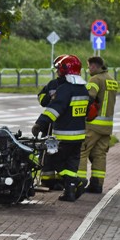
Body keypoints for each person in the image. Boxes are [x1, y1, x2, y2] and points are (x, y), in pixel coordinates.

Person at [32, 55, 90, 202]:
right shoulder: (83, 89)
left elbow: (55, 109)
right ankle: (69, 193)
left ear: (66, 70)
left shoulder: (65, 89)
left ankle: (77, 182)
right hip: (79, 136)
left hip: (64, 136)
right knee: (71, 164)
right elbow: (88, 111)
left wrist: (40, 124)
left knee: (54, 161)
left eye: (59, 69)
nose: (57, 71)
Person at [78, 56, 118, 194]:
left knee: (82, 151)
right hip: (107, 126)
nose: (88, 69)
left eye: (89, 67)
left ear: (94, 66)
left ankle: (79, 183)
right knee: (100, 154)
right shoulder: (112, 80)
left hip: (93, 124)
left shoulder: (95, 79)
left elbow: (89, 97)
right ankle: (97, 185)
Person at [36, 55, 68, 190]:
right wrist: (49, 98)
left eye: (59, 69)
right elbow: (41, 97)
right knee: (47, 153)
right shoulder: (52, 84)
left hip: (63, 126)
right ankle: (47, 180)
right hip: (49, 126)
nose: (57, 71)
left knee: (62, 154)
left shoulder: (71, 86)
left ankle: (62, 181)